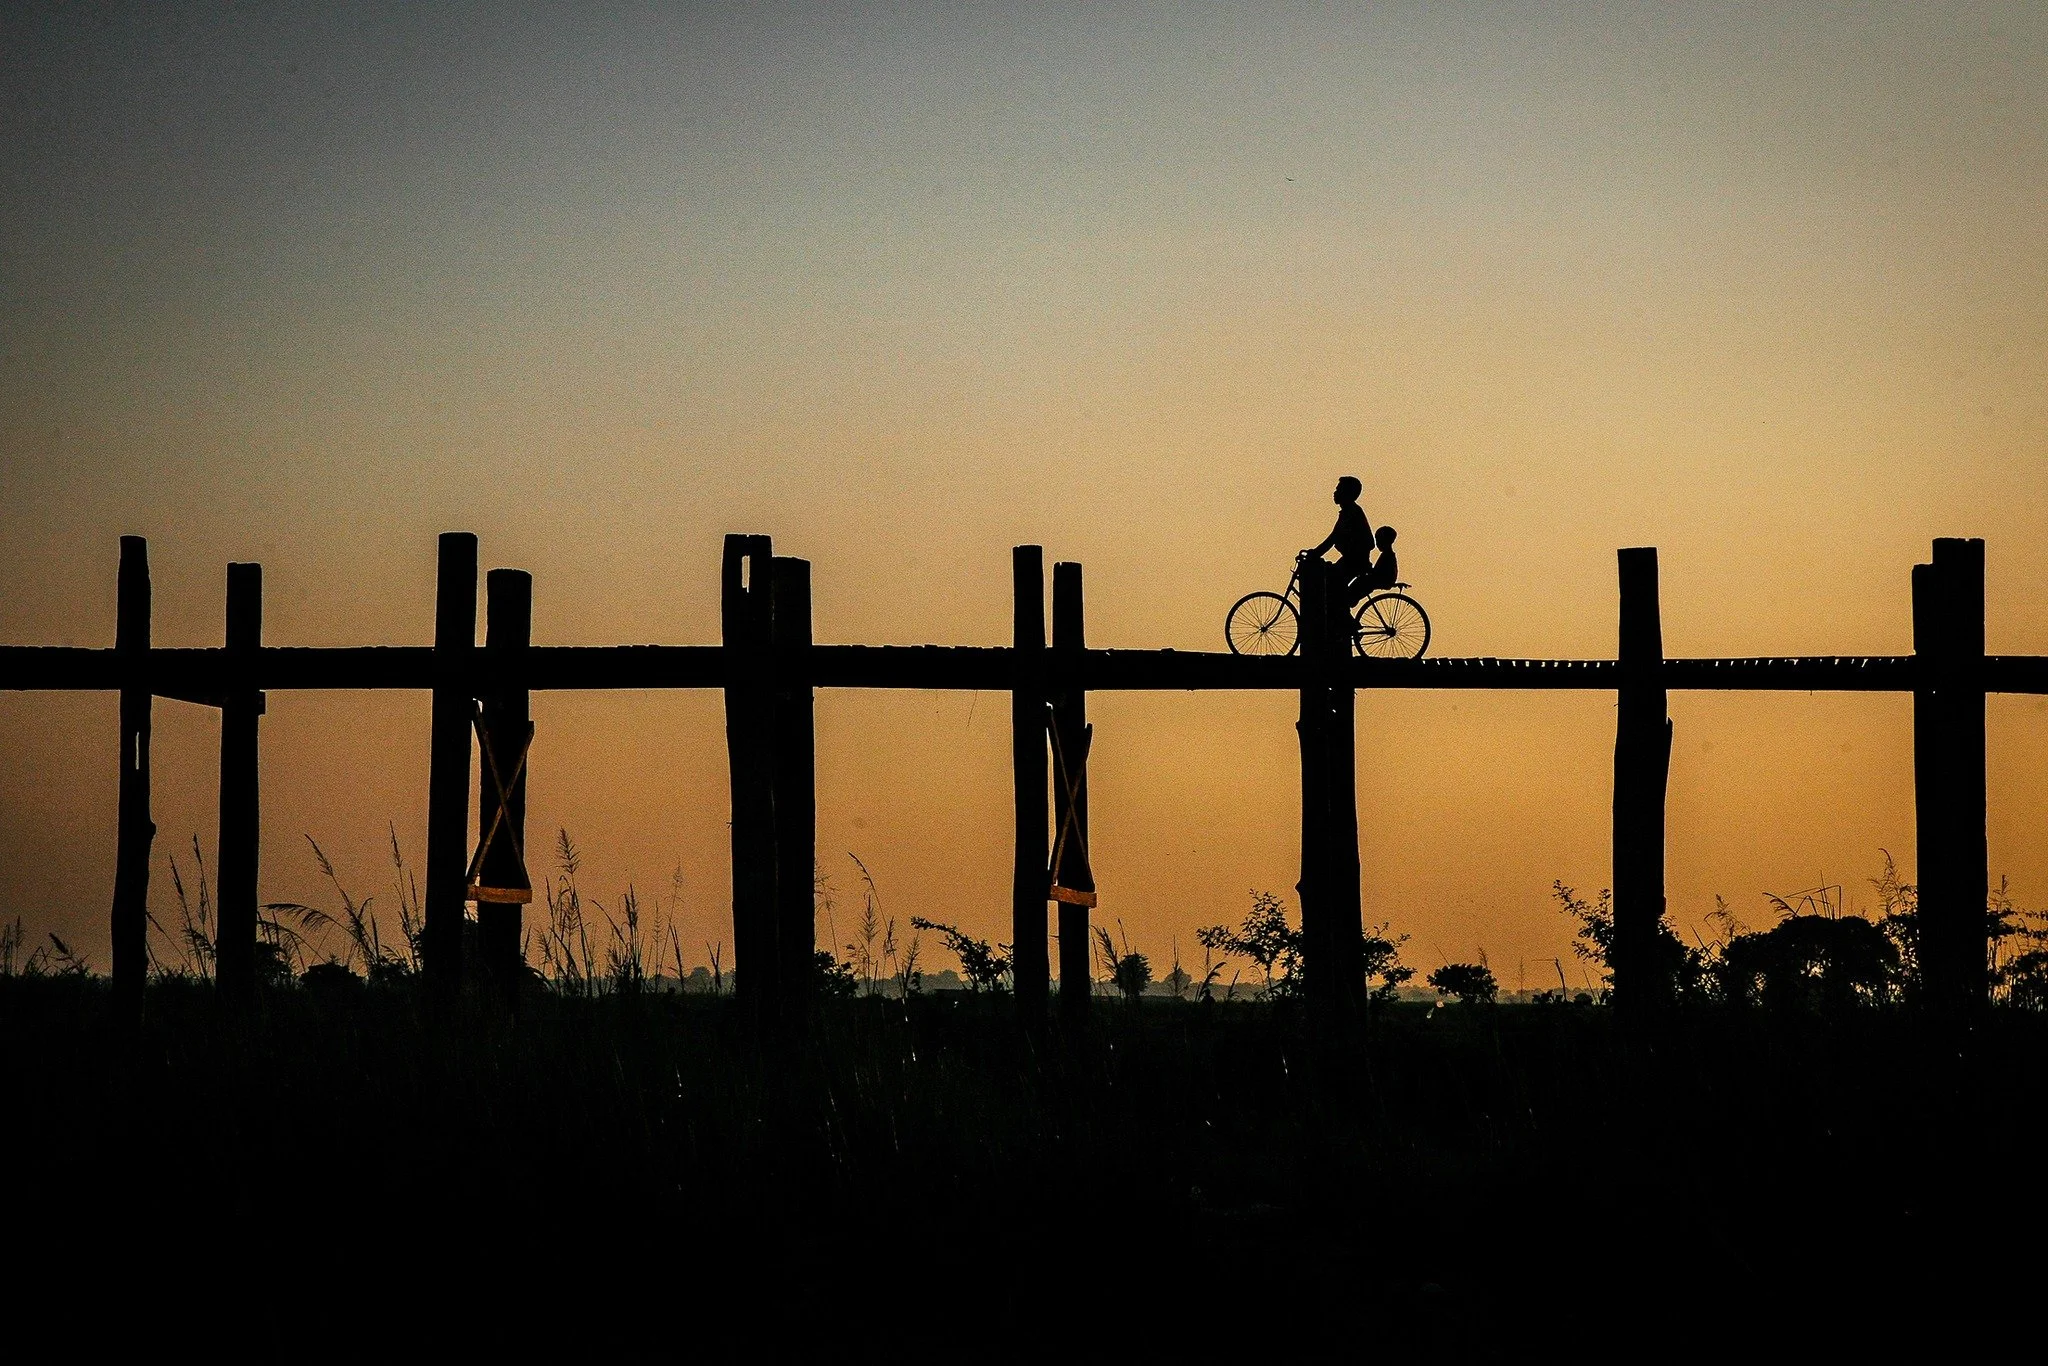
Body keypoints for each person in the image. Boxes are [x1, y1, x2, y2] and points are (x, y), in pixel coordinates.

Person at [1300, 476, 1374, 605]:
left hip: (1355, 561)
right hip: (1350, 559)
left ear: (1348, 494)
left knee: (1332, 586)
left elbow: (1333, 538)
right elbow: (1333, 537)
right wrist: (1315, 553)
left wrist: (1315, 553)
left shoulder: (1352, 513)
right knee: (1329, 582)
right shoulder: (1347, 512)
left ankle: (1344, 619)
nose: (1335, 493)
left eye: (1338, 489)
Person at [1357, 524, 1399, 595]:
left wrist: (1367, 568)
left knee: (1358, 583)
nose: (1377, 544)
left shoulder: (1387, 555)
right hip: (1383, 579)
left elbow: (1378, 573)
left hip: (1382, 580)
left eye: (1378, 540)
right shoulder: (1388, 554)